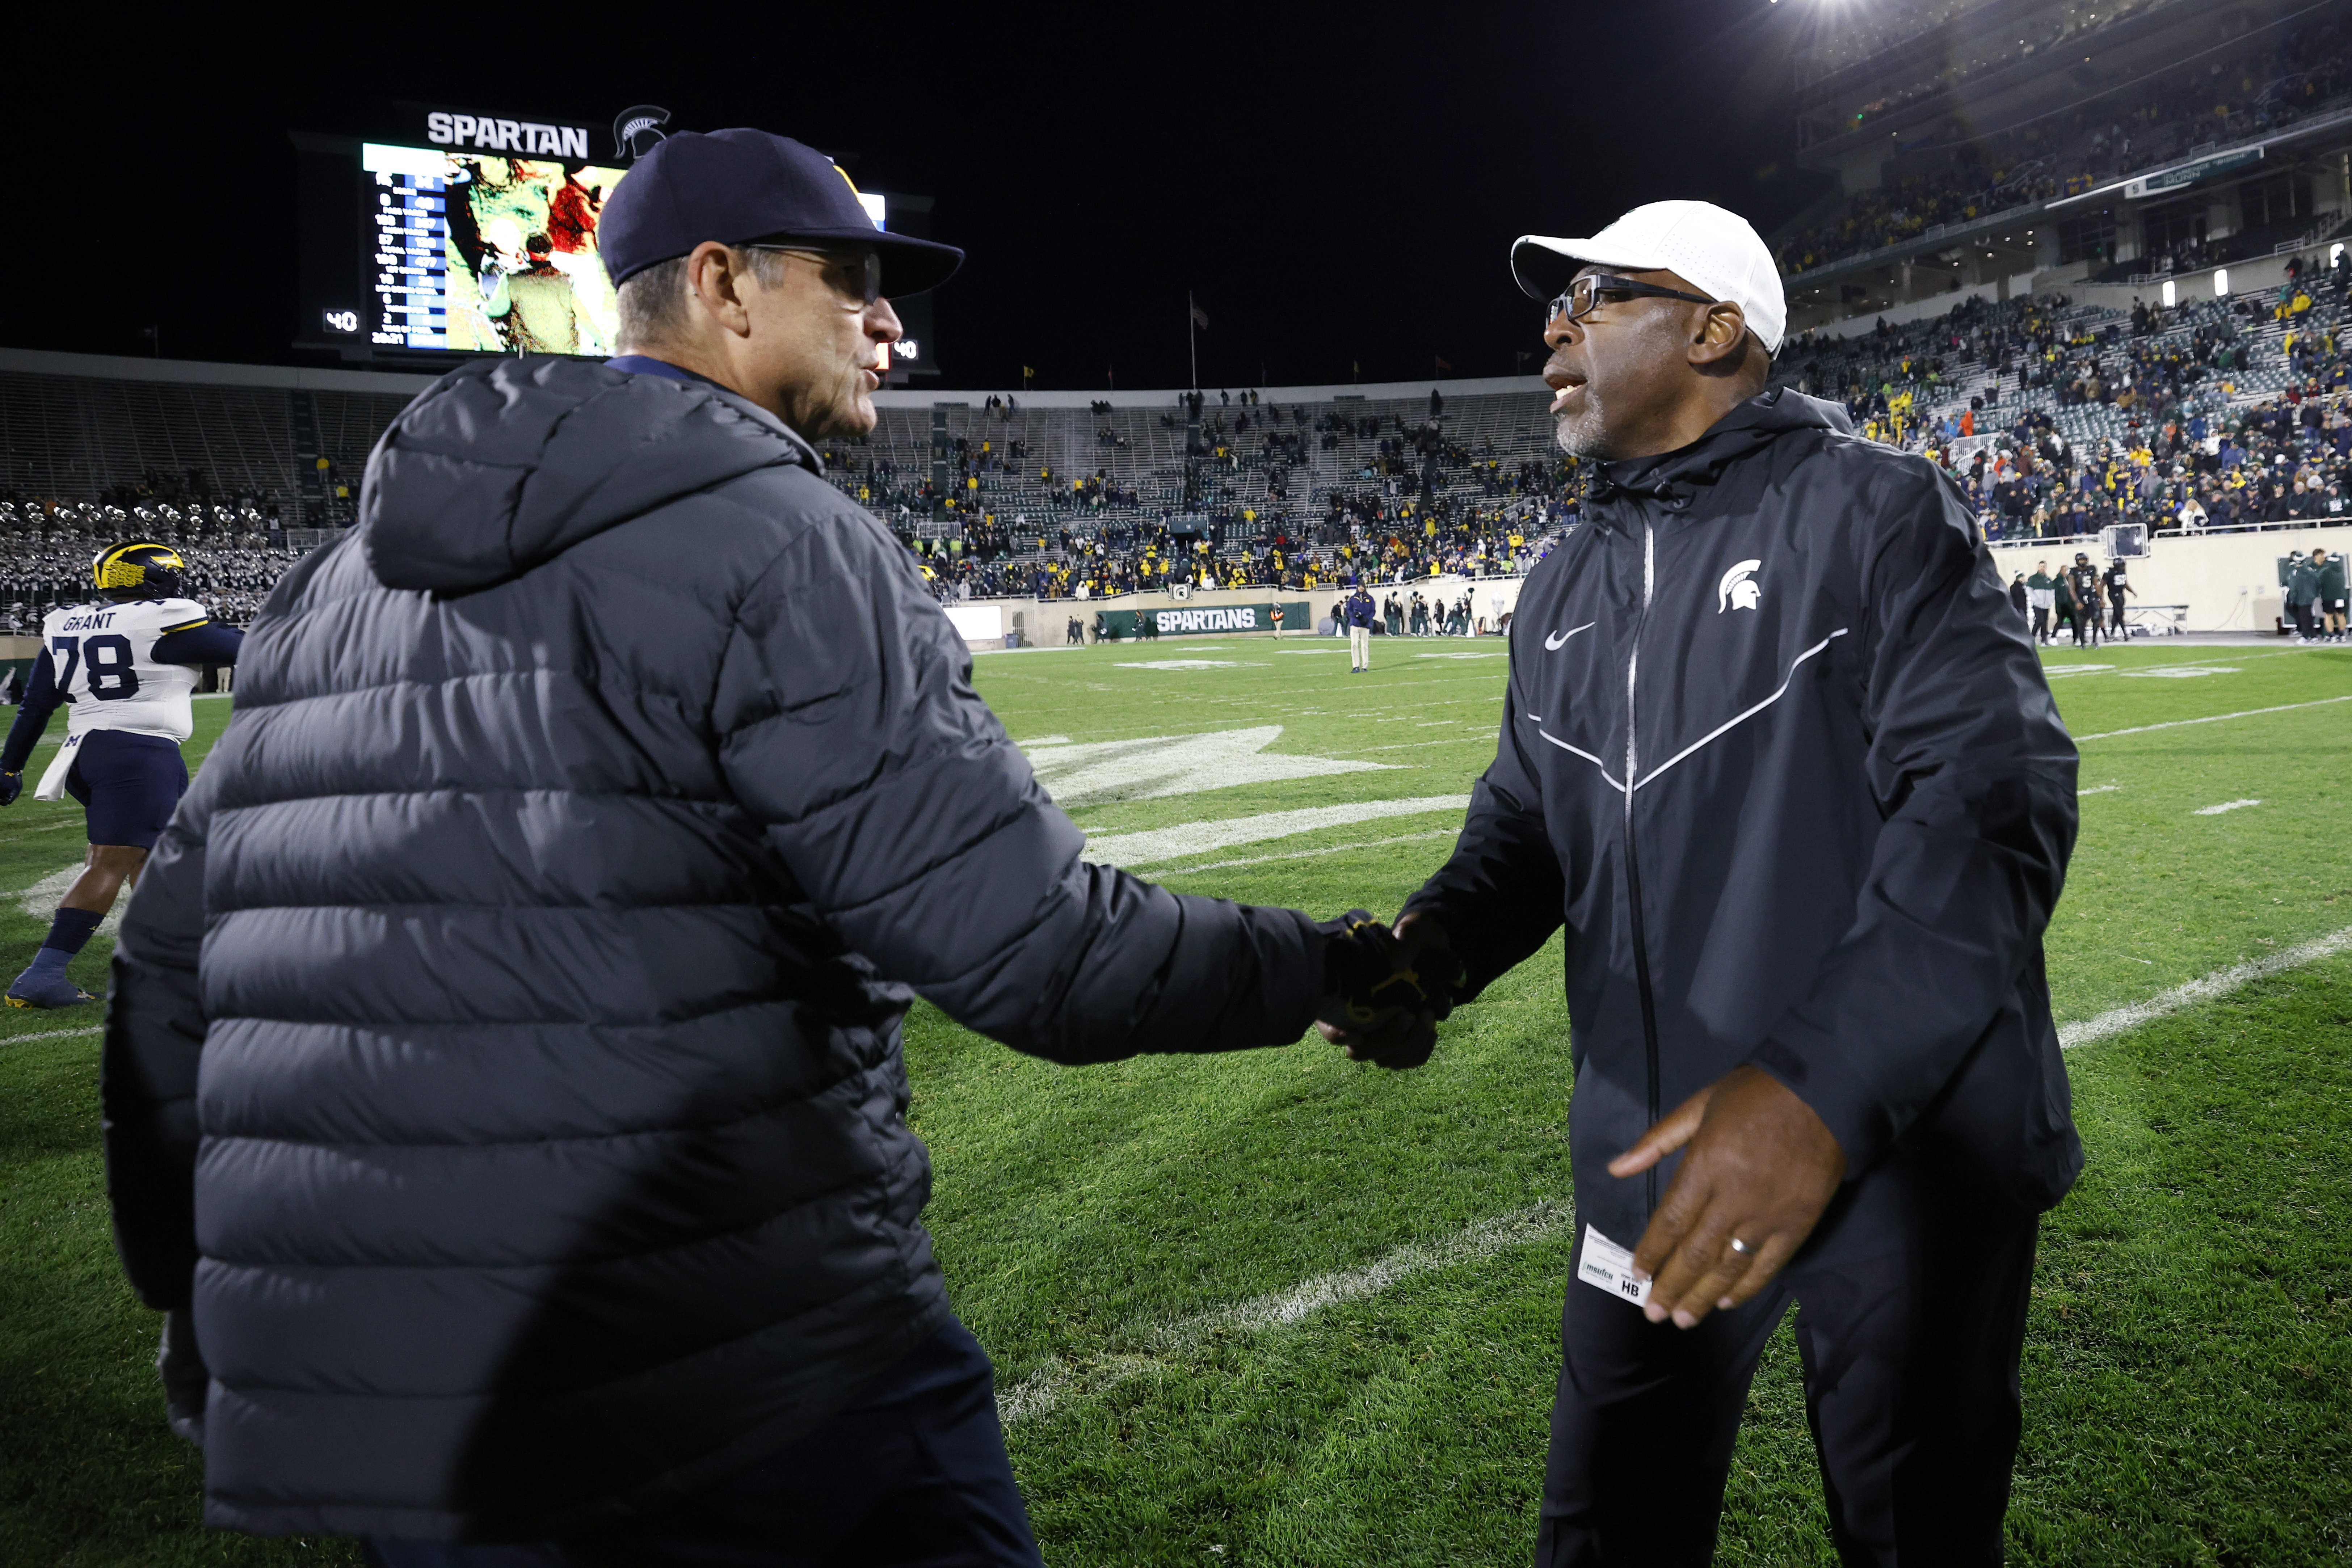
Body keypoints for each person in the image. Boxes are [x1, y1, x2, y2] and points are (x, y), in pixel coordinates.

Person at [99, 128, 1423, 1567]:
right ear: (724, 285)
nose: (890, 319)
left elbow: (171, 974)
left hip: (409, 1418)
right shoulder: (779, 541)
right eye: (851, 281)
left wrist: (205, 1295)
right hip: (741, 1366)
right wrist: (1322, 967)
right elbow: (1034, 953)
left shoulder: (327, 583)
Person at [1326, 201, 2079, 1566]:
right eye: (1557, 303)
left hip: (1893, 1145)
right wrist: (1432, 944)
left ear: (1713, 329)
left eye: (1596, 294)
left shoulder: (1876, 511)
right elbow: (1527, 823)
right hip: (1652, 1145)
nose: (1552, 326)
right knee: (1607, 1520)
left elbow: (1990, 802)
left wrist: (1814, 1094)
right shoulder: (1559, 580)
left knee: (1912, 1524)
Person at [0, 541, 241, 1007]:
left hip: (88, 754)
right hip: (138, 755)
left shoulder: (68, 621)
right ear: (155, 578)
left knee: (153, 858)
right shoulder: (166, 621)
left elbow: (36, 706)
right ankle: (43, 974)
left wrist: (9, 766)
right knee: (110, 863)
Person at [2286, 550, 2320, 642]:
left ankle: (2306, 637)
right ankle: (2313, 636)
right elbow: (2318, 582)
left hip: (2301, 598)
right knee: (2308, 617)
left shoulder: (2295, 572)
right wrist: (2315, 594)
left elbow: (2293, 587)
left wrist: (2292, 599)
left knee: (2305, 617)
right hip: (2310, 597)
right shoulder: (2310, 570)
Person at [2315, 547, 2347, 642]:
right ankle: (2342, 635)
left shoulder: (2325, 571)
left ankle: (2332, 635)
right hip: (2341, 597)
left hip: (2329, 597)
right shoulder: (2342, 571)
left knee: (2329, 616)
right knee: (2341, 615)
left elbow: (2319, 583)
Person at [1346, 582, 1376, 673]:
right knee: (1354, 645)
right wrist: (1354, 615)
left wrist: (1368, 619)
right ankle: (1356, 666)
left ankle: (1365, 666)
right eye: (1359, 587)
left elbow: (1373, 611)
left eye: (1362, 587)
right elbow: (1349, 610)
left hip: (1365, 625)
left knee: (1365, 646)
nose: (1361, 588)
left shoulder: (1370, 599)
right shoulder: (1353, 599)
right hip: (1355, 625)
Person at [2025, 561, 2057, 645]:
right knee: (2040, 621)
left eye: (2044, 566)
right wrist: (2036, 599)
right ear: (2038, 567)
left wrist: (2051, 601)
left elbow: (2052, 591)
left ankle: (2044, 640)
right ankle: (2032, 637)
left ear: (2046, 568)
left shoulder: (2049, 580)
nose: (2042, 568)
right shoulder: (2033, 578)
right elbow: (2028, 590)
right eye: (2041, 566)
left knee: (2045, 623)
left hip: (2046, 605)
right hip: (2037, 604)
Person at [2102, 557, 2132, 639]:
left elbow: (2125, 583)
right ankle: (2126, 634)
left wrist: (2132, 591)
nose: (2123, 567)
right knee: (2120, 613)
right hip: (2113, 593)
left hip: (2121, 594)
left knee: (2117, 614)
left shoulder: (2122, 572)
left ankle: (2112, 634)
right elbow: (2102, 584)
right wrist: (2101, 598)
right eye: (2122, 565)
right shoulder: (2110, 572)